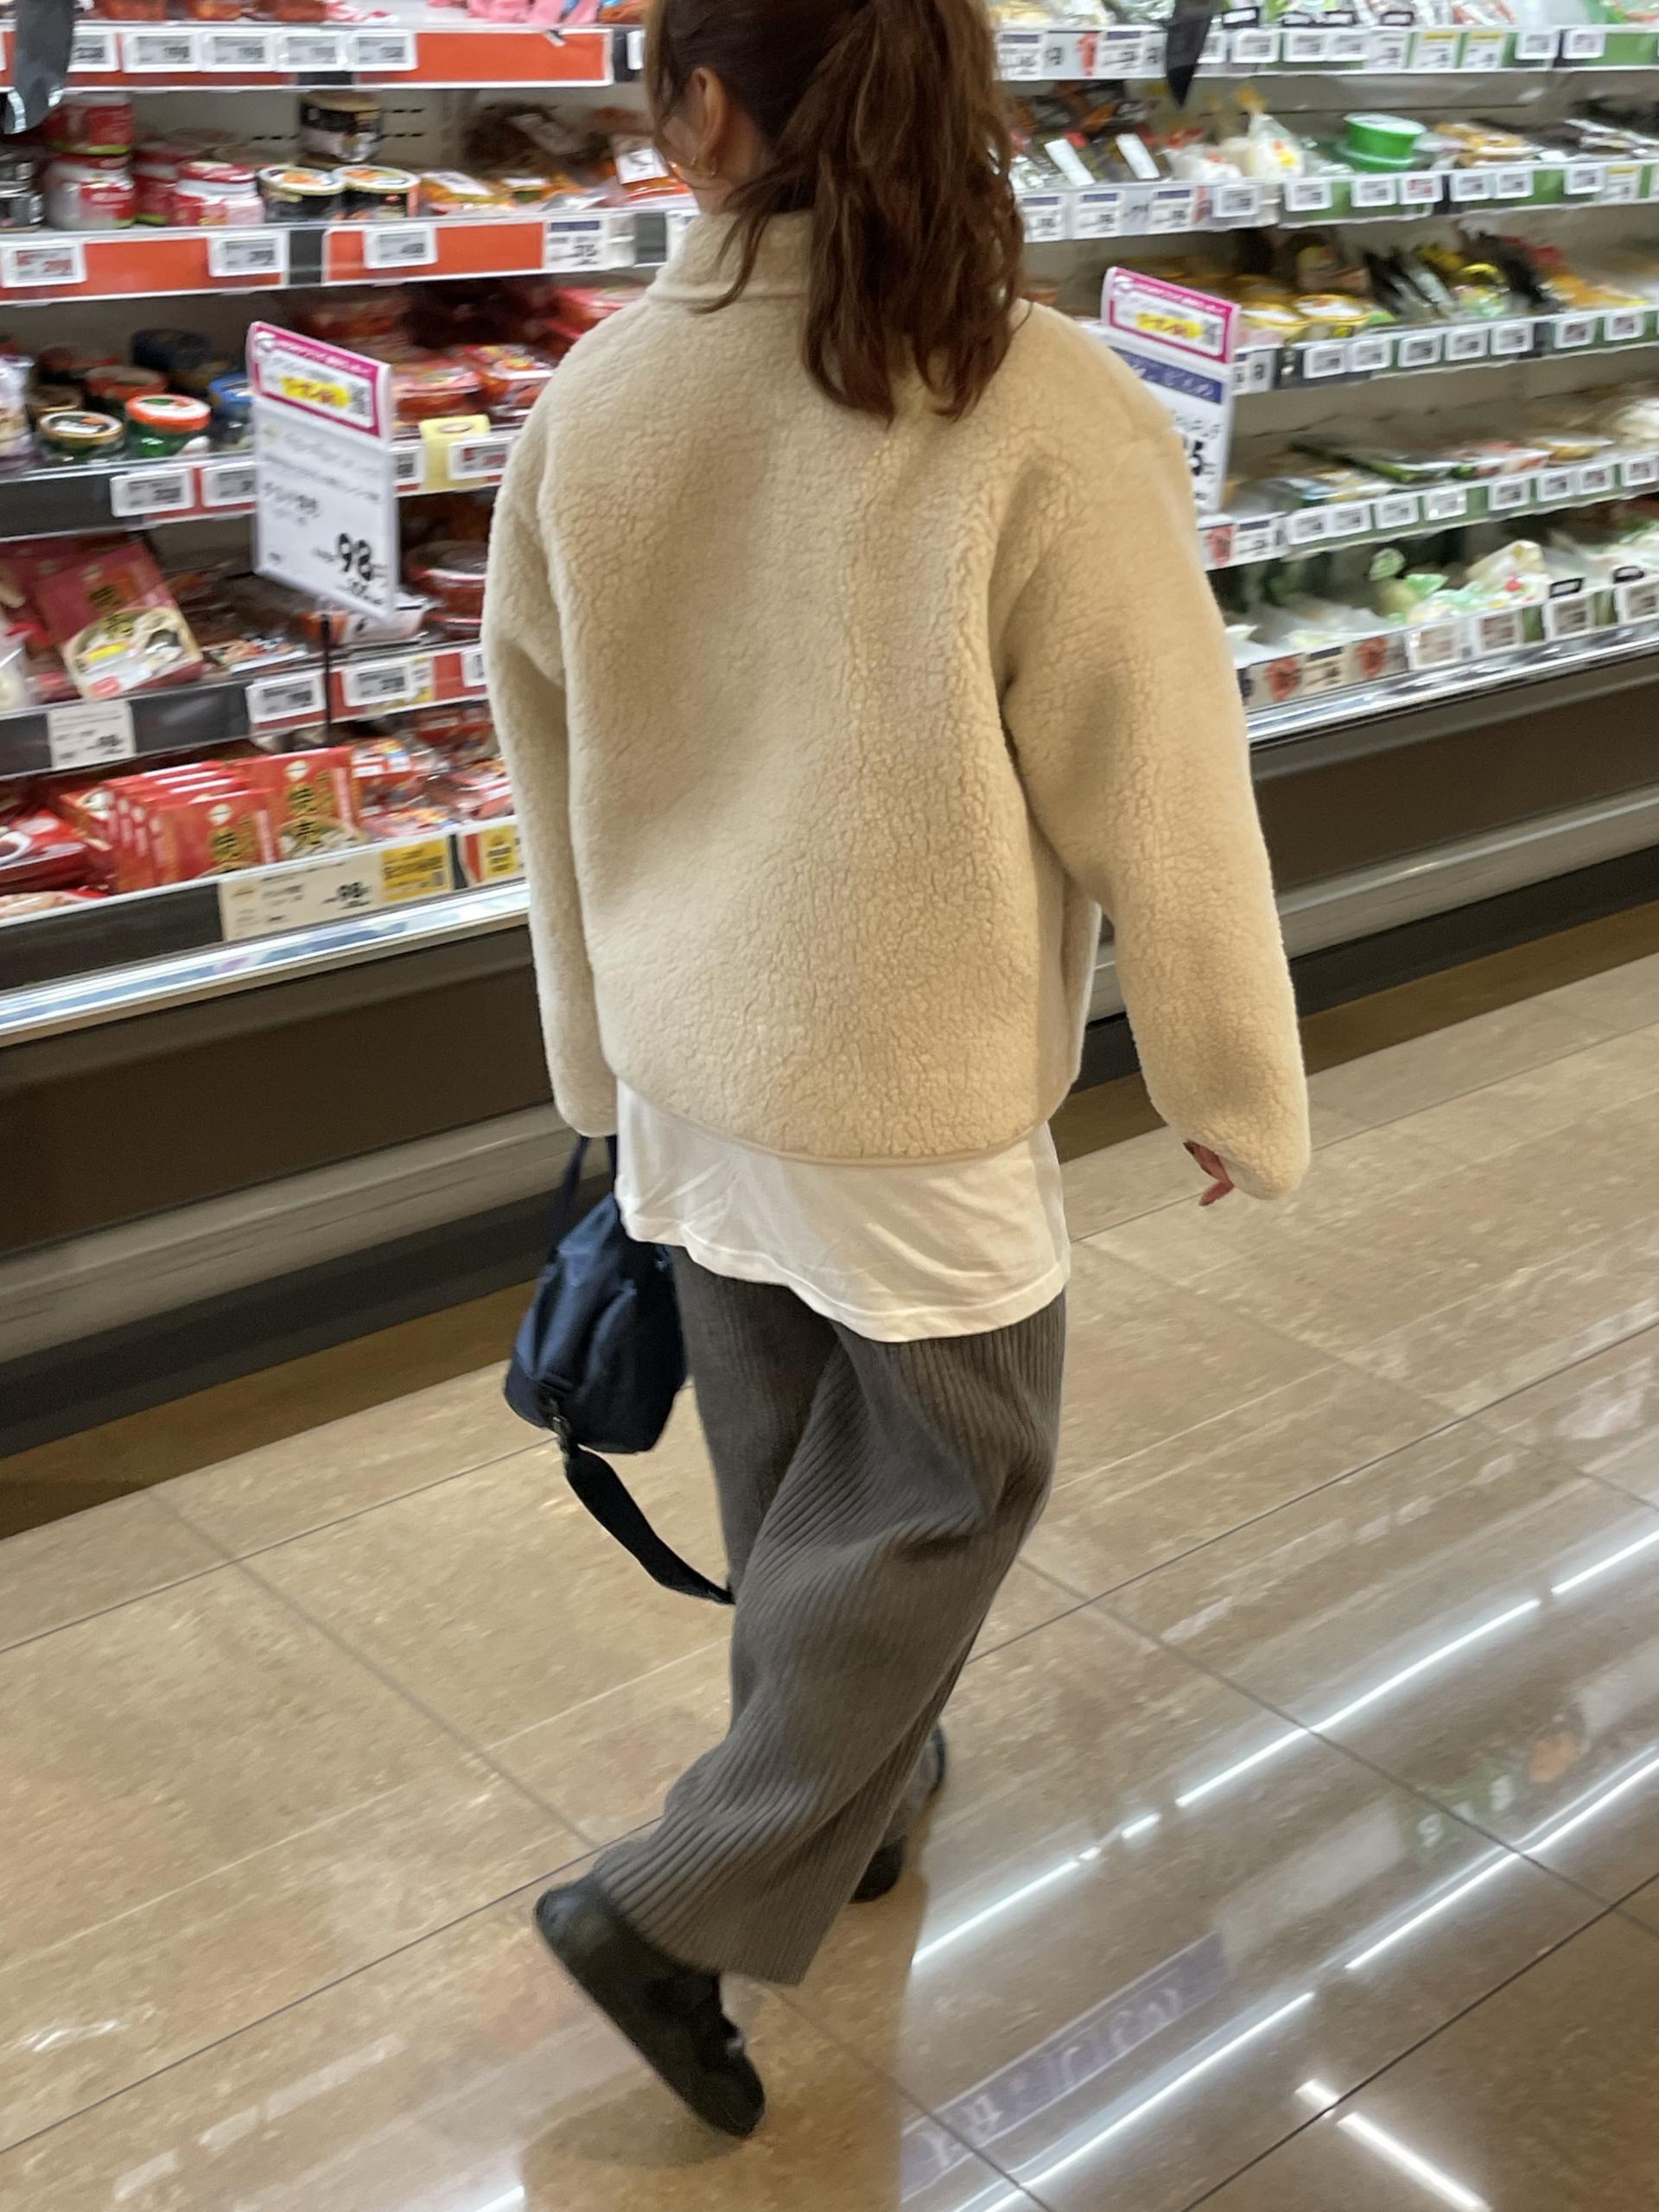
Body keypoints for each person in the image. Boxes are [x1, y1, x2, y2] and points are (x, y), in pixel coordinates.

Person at [482, 0, 1310, 2142]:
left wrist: (592, 1062)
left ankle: (855, 1792)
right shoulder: (1040, 397)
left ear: (709, 108)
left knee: (791, 1468)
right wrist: (1227, 1071)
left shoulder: (596, 397)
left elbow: (545, 766)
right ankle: (672, 1900)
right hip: (906, 1065)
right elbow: (1161, 775)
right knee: (955, 1475)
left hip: (688, 1058)